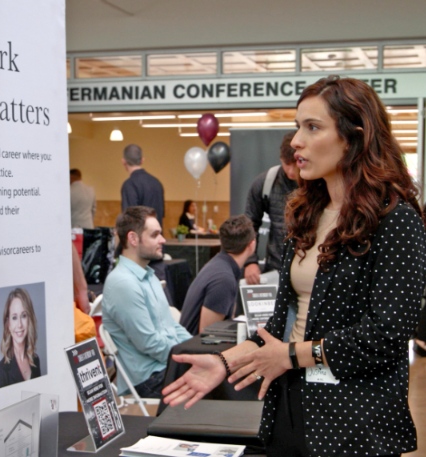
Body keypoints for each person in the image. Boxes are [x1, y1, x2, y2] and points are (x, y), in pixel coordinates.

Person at [162, 75, 426, 457]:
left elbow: (386, 335)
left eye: (313, 127)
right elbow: (280, 326)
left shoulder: (395, 220)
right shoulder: (306, 214)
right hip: (291, 403)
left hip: (354, 420)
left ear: (354, 136)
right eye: (297, 126)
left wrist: (289, 355)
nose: (296, 141)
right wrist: (226, 361)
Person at [102, 206, 191, 398]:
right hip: (147, 381)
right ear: (133, 239)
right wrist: (190, 358)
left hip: (164, 369)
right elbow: (149, 343)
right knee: (220, 382)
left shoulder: (149, 276)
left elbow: (173, 327)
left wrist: (195, 349)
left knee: (223, 374)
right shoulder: (122, 283)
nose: (163, 240)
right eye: (155, 235)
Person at [180, 215, 256, 335]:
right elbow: (207, 336)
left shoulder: (219, 265)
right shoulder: (224, 279)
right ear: (251, 245)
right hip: (193, 349)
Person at [244, 131, 298, 285]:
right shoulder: (265, 183)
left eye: (296, 164)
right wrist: (250, 261)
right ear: (281, 159)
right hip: (275, 268)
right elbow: (250, 224)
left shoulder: (318, 184)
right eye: (287, 164)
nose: (291, 171)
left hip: (309, 271)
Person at [0, 288, 41, 387]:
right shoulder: (0, 372)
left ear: (30, 319)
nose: (19, 325)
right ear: (8, 323)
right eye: (14, 317)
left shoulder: (36, 360)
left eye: (24, 316)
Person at [121, 144, 165, 226]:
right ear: (142, 160)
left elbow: (129, 219)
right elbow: (161, 214)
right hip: (157, 236)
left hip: (140, 237)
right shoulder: (157, 183)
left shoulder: (129, 185)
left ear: (123, 161)